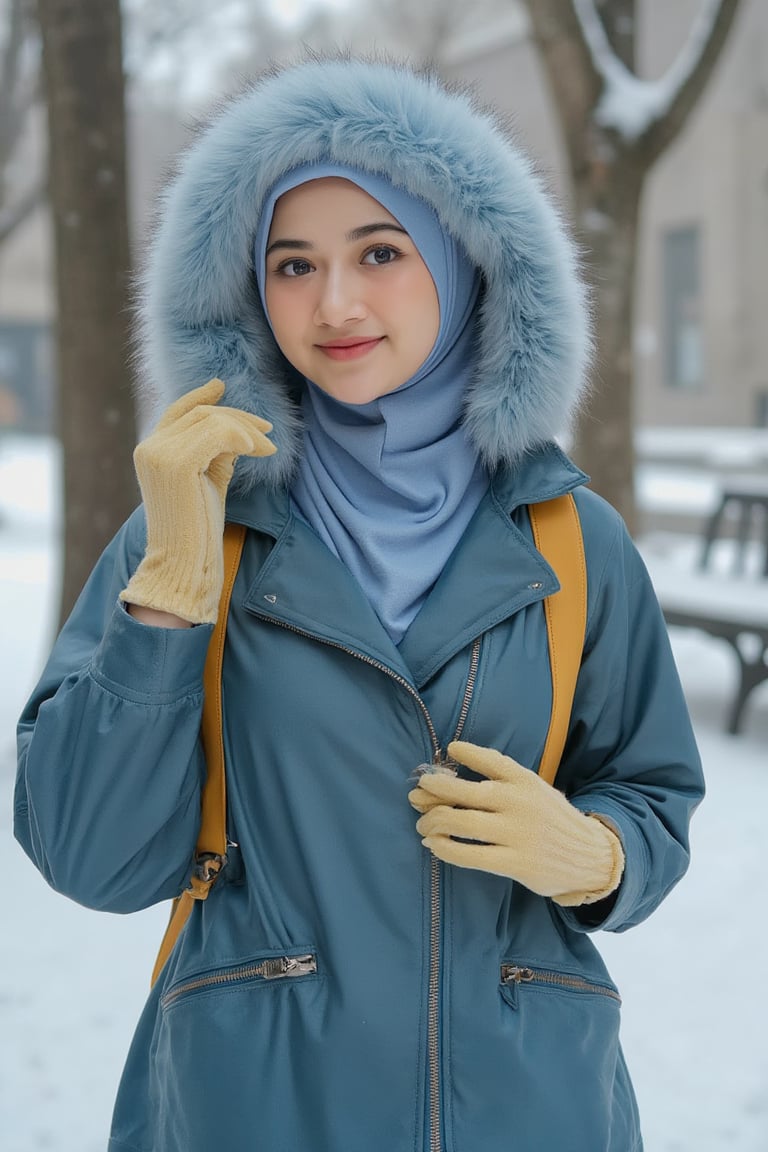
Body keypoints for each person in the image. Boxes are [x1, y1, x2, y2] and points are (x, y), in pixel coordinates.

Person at [14, 57, 703, 1152]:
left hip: (528, 1109)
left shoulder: (576, 543)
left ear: (464, 262)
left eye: (379, 252)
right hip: (255, 1106)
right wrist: (164, 611)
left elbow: (653, 789)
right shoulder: (192, 527)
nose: (333, 305)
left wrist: (600, 853)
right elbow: (93, 857)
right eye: (292, 264)